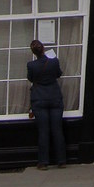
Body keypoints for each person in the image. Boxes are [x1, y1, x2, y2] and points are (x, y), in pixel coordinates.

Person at [26, 39, 67, 169]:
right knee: (57, 129)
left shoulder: (31, 65)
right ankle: (61, 160)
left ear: (33, 52)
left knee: (43, 131)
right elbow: (58, 74)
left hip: (39, 99)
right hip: (55, 97)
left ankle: (43, 162)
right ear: (43, 49)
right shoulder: (54, 61)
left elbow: (31, 78)